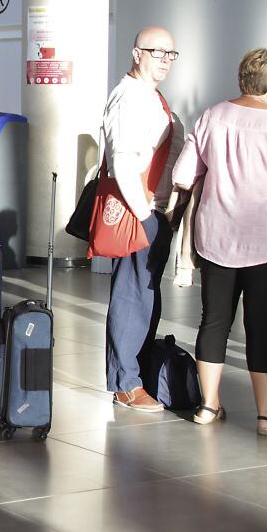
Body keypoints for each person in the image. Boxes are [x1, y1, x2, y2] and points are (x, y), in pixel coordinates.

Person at [172, 49, 267, 434]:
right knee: (261, 326)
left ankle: (208, 406)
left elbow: (184, 174)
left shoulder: (213, 115)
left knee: (213, 320)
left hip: (215, 235)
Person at [101, 26, 186, 412]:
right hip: (142, 212)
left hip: (155, 211)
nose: (165, 60)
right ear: (137, 53)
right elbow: (121, 160)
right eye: (157, 52)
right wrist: (143, 214)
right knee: (133, 296)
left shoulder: (151, 96)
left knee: (145, 296)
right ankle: (125, 382)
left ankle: (135, 374)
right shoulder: (129, 98)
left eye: (171, 54)